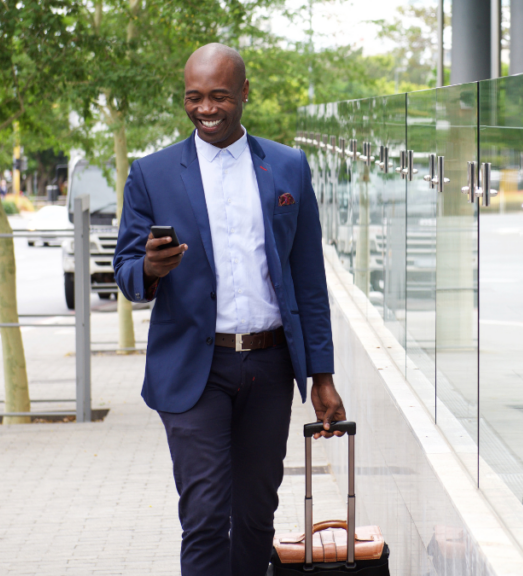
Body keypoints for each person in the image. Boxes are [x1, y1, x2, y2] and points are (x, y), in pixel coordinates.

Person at [113, 43, 345, 576]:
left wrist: (322, 377)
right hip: (194, 369)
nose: (206, 109)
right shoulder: (152, 174)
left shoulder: (287, 166)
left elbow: (308, 279)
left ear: (244, 93)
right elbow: (126, 274)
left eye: (219, 96)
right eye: (194, 98)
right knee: (205, 515)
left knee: (257, 516)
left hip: (268, 366)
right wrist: (149, 268)